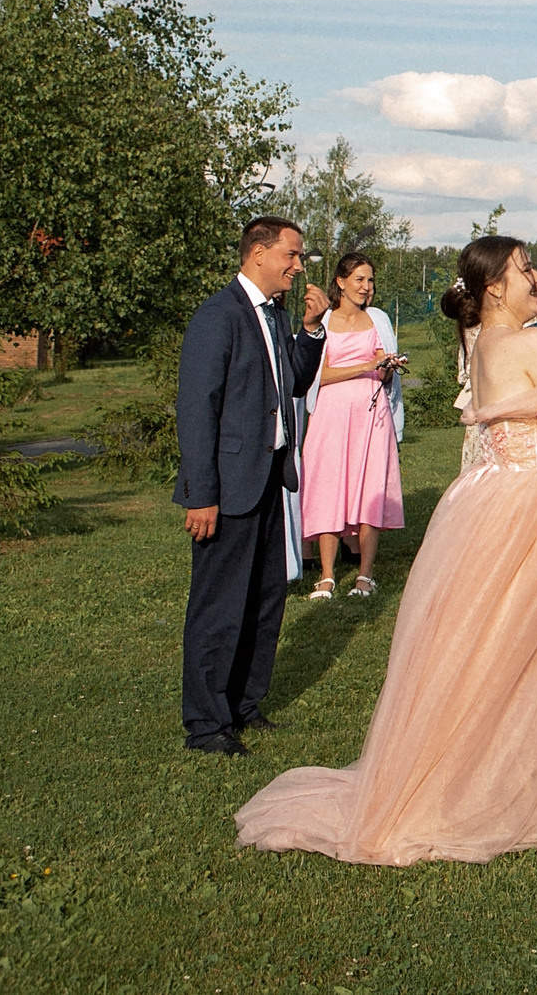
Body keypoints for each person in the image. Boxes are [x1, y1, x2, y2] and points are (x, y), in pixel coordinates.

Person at [236, 236, 537, 863]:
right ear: (496, 285)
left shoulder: (488, 343)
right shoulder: (529, 343)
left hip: (487, 498)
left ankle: (487, 757)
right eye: (527, 269)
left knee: (489, 643)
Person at [173, 217, 328, 755]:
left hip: (268, 480)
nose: (298, 264)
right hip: (228, 489)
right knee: (219, 606)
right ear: (258, 253)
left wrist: (311, 329)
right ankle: (207, 725)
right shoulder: (219, 317)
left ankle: (243, 705)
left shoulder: (275, 314)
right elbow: (197, 411)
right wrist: (202, 494)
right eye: (291, 254)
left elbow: (296, 382)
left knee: (264, 599)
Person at [301, 252, 406, 603]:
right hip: (331, 416)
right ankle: (327, 575)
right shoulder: (325, 322)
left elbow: (382, 372)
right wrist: (365, 364)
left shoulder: (376, 320)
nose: (366, 287)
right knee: (328, 486)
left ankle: (365, 574)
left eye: (371, 280)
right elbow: (320, 375)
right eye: (360, 279)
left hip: (371, 416)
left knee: (369, 487)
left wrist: (387, 366)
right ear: (341, 282)